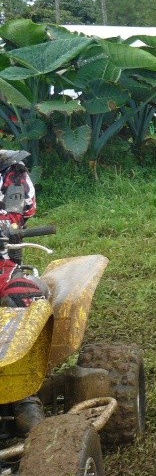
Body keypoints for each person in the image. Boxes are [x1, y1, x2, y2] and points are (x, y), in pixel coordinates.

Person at [0, 149, 45, 434]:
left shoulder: (10, 170)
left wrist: (7, 225)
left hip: (2, 262)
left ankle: (23, 392)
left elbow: (12, 218)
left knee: (22, 296)